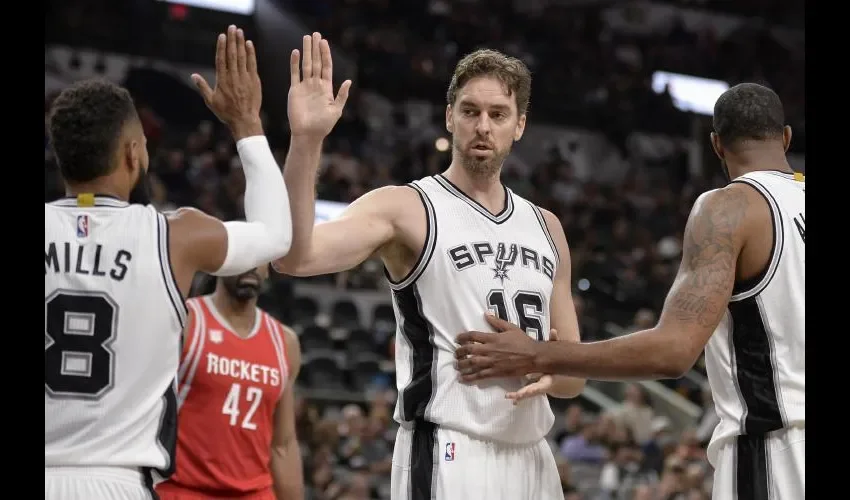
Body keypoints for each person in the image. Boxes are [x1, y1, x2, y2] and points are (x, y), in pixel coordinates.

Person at [455, 82, 805, 500]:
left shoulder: (731, 207)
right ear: (786, 138)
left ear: (716, 144)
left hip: (780, 453)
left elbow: (672, 352)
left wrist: (537, 353)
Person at [44, 26, 349, 500]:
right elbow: (276, 235)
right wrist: (246, 124)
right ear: (133, 154)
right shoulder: (176, 236)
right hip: (119, 481)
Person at [275, 39, 585, 500]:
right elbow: (294, 257)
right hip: (449, 448)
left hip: (533, 456)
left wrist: (540, 362)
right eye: (470, 111)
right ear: (449, 117)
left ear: (519, 125)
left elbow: (574, 376)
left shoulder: (548, 227)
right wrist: (306, 141)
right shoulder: (406, 207)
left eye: (498, 114)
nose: (483, 126)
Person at [155, 266, 303, 500]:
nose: (252, 264)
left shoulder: (284, 341)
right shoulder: (187, 320)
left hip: (254, 492)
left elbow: (283, 444)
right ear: (222, 259)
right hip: (184, 488)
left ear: (268, 268)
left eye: (260, 257)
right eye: (246, 253)